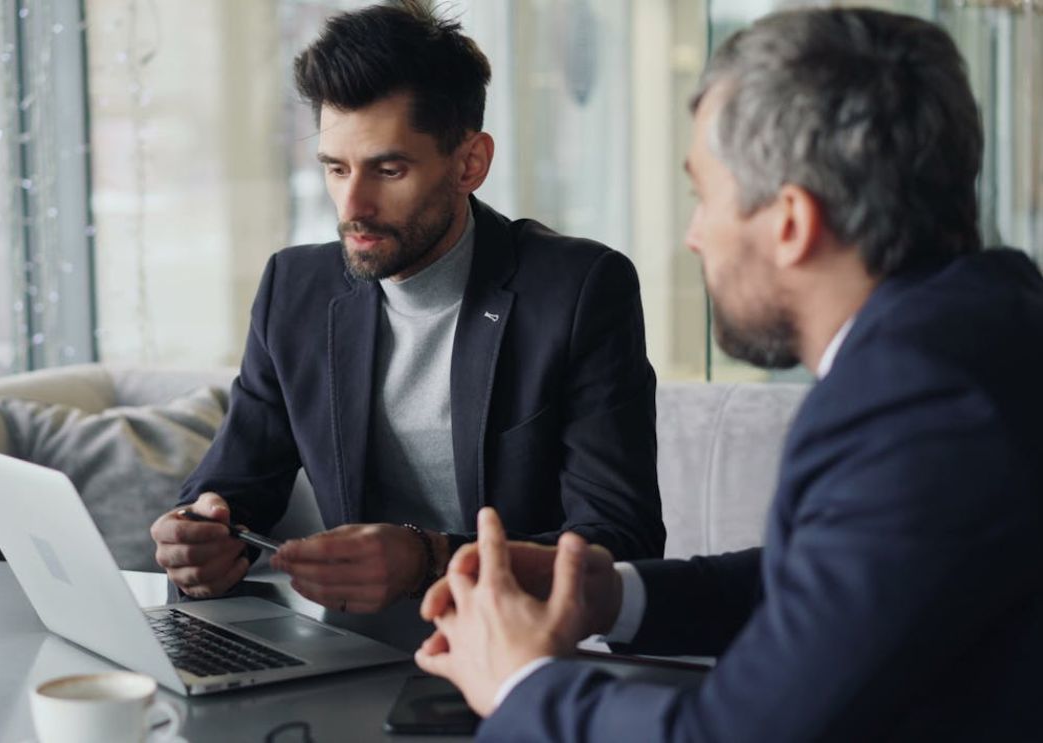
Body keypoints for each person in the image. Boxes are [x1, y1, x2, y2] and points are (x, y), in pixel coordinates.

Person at [416, 7, 1043, 740]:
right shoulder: (986, 328)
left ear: (788, 221)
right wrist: (605, 595)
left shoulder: (919, 401)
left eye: (702, 195)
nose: (692, 235)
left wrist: (519, 683)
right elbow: (835, 594)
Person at [149, 0, 664, 615]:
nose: (352, 205)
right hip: (346, 646)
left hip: (519, 647)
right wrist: (198, 533)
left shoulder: (579, 291)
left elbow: (621, 544)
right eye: (335, 169)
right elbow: (233, 487)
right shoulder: (295, 288)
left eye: (387, 169)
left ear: (469, 164)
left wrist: (430, 558)